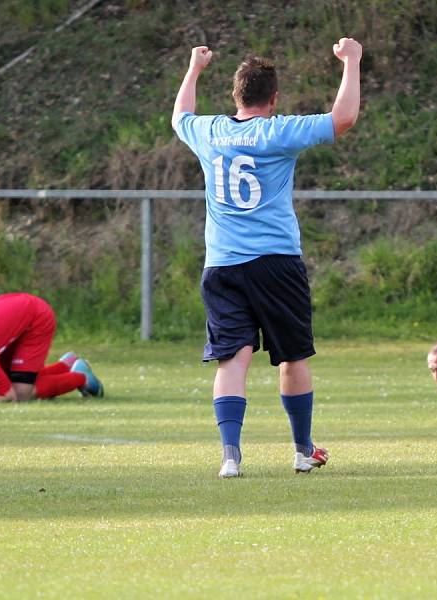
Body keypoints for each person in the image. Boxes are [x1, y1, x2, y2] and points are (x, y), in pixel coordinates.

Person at [172, 38, 362, 478]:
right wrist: (351, 62)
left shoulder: (211, 132)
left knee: (232, 360)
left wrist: (194, 69)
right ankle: (301, 450)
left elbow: (180, 115)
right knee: (293, 356)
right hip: (275, 261)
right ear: (273, 99)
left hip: (221, 266)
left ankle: (230, 456)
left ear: (235, 95)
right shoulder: (277, 132)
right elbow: (344, 118)